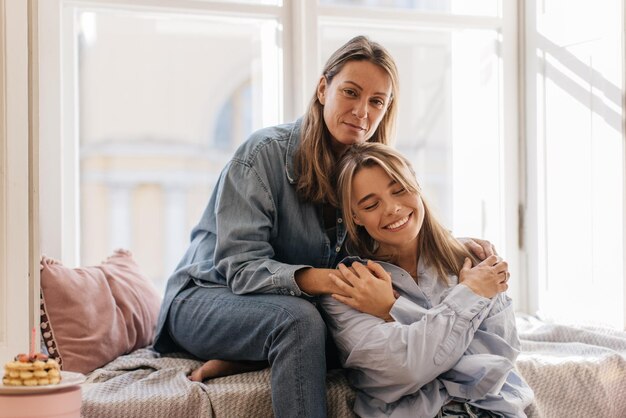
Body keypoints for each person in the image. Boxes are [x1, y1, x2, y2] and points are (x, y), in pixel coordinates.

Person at [153, 35, 499, 418]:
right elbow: (240, 268)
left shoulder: (364, 173)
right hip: (206, 297)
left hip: (288, 310)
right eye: (350, 92)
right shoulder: (262, 155)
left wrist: (446, 244)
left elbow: (383, 235)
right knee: (302, 321)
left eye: (376, 102)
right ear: (323, 89)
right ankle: (259, 347)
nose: (361, 111)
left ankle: (252, 358)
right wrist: (336, 281)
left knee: (356, 327)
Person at [319, 142, 534, 418]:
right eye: (371, 204)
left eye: (399, 190)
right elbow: (406, 368)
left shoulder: (474, 260)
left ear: (417, 185)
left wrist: (393, 310)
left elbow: (498, 362)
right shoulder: (348, 287)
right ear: (354, 216)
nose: (393, 208)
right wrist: (470, 294)